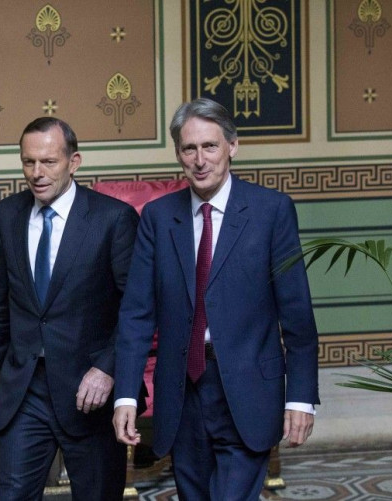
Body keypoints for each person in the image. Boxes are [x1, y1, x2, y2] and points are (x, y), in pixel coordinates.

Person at [113, 98, 319, 500]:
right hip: (183, 393)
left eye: (210, 146)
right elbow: (137, 314)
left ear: (232, 146)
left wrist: (301, 396)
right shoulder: (158, 218)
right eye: (189, 149)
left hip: (248, 389)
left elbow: (297, 315)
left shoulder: (271, 211)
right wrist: (126, 395)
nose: (200, 159)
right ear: (178, 154)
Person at [0, 117, 138, 500]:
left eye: (48, 162)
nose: (37, 173)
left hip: (90, 393)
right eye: (28, 162)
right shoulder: (7, 215)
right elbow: (2, 294)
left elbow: (138, 309)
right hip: (25, 387)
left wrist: (106, 369)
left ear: (74, 162)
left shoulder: (112, 220)